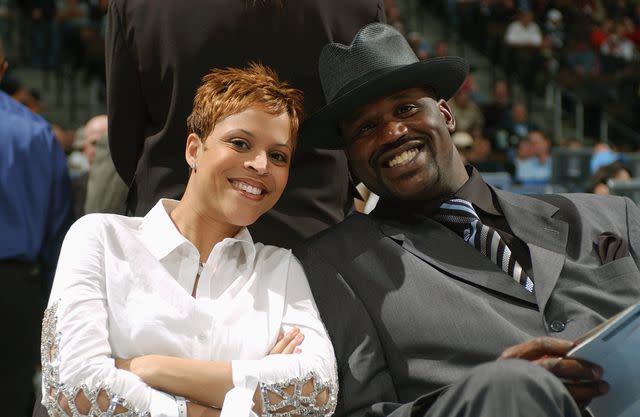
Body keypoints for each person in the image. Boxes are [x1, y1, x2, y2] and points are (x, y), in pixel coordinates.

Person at [295, 23, 640, 417]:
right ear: (352, 164)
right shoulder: (333, 267)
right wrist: (494, 393)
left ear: (446, 114)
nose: (392, 132)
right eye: (365, 128)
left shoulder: (612, 215)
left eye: (406, 108)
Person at [39, 64, 337, 417]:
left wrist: (147, 368)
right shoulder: (100, 239)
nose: (260, 165)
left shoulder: (281, 268)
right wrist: (233, 402)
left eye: (278, 155)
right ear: (194, 150)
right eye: (240, 143)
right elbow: (73, 389)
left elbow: (317, 391)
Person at [105, 0, 385, 248]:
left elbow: (125, 141)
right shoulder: (358, 5)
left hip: (174, 238)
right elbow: (369, 131)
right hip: (312, 234)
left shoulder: (138, 6)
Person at [0, 39, 72, 417]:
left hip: (18, 283)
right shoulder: (37, 133)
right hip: (15, 292)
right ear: (4, 68)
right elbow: (57, 231)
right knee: (11, 400)